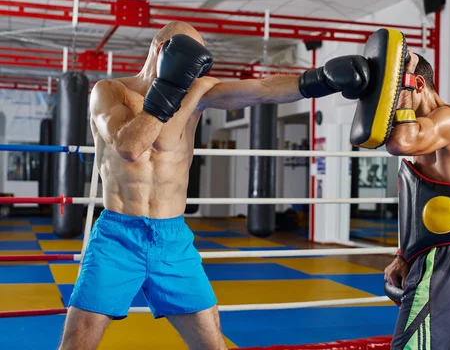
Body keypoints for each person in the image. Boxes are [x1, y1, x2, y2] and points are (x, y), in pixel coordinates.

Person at [58, 21, 372, 350]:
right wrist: (170, 86)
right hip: (117, 238)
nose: (195, 70)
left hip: (172, 241)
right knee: (76, 346)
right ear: (163, 50)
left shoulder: (198, 91)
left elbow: (264, 89)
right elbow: (129, 146)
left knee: (212, 346)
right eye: (187, 55)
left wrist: (320, 80)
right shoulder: (109, 91)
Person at [382, 51, 450, 350]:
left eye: (397, 94)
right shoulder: (417, 128)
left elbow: (400, 143)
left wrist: (402, 80)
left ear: (416, 85)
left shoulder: (449, 120)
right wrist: (404, 254)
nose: (392, 105)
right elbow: (418, 198)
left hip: (449, 253)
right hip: (439, 249)